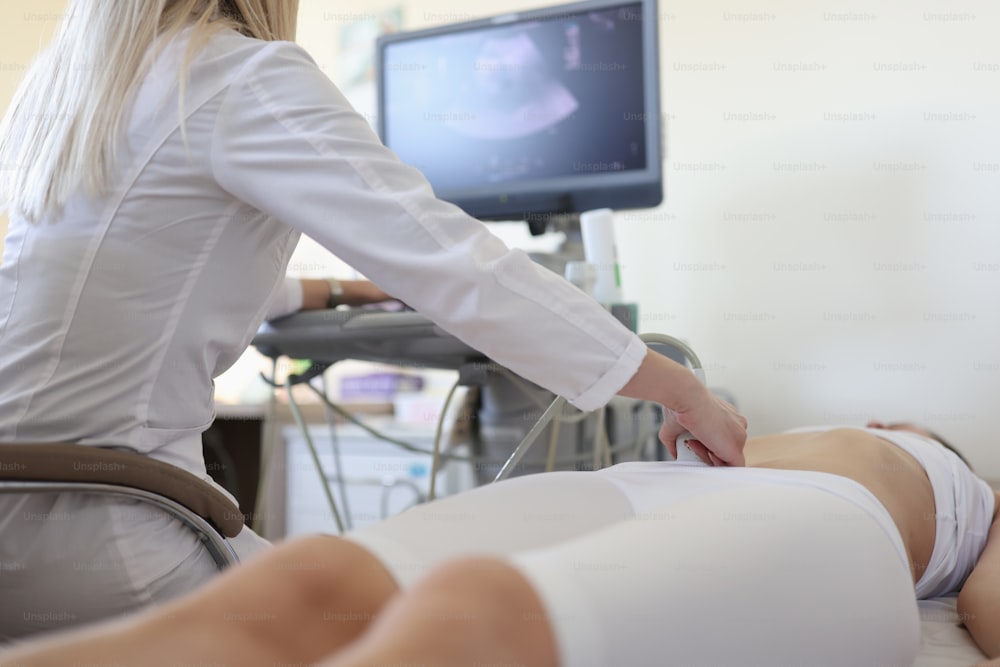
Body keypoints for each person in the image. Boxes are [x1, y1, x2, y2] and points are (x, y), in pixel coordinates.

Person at [0, 0, 744, 640]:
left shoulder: (68, 94)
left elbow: (153, 274)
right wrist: (679, 389)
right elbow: (456, 262)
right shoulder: (236, 76)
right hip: (113, 531)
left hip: (20, 523)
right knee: (450, 624)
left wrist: (341, 291)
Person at [2, 422, 998, 666]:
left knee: (470, 617)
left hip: (834, 521)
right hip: (639, 482)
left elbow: (985, 617)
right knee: (307, 579)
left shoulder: (973, 494)